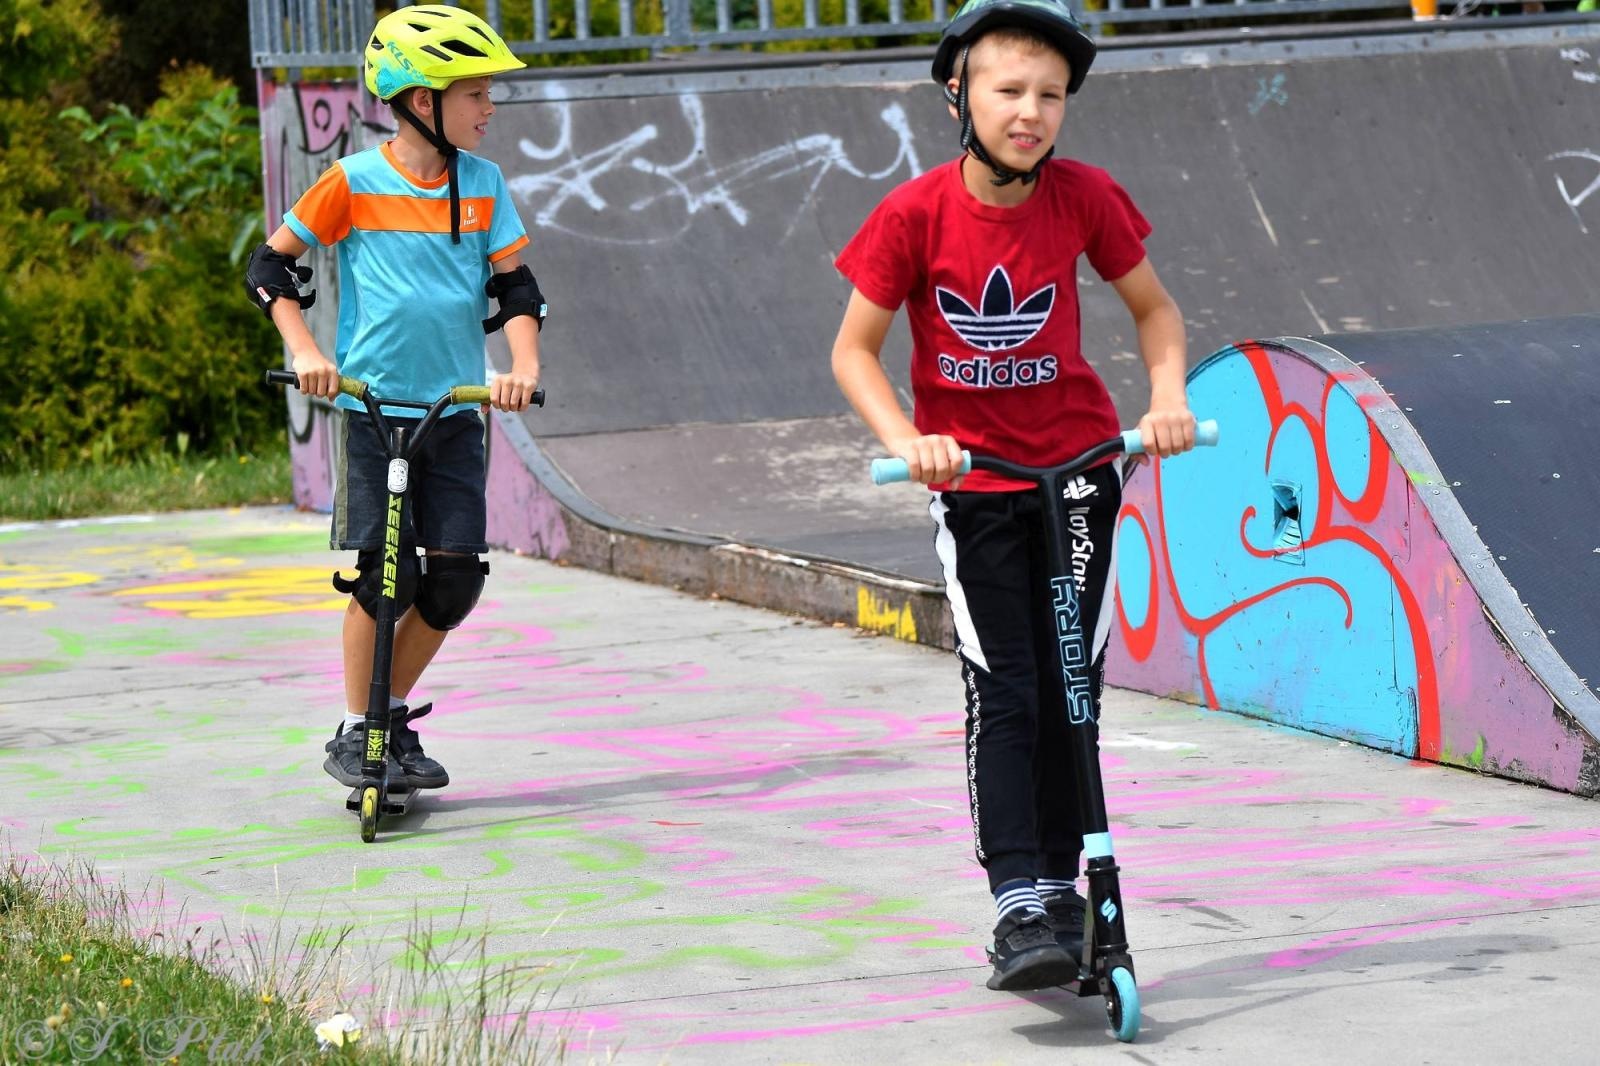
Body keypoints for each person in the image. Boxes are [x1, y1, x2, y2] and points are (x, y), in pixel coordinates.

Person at [831, 0, 1195, 991]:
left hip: (1080, 475)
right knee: (1011, 688)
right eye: (1007, 91)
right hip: (978, 487)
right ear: (958, 92)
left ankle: (1063, 884)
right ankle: (1015, 901)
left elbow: (1155, 312)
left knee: (1074, 683)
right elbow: (853, 351)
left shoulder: (1082, 197)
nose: (1029, 112)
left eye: (1049, 96)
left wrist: (1164, 398)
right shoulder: (913, 215)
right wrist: (911, 443)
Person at [244, 5, 545, 791]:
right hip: (375, 413)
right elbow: (270, 270)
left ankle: (393, 720)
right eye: (475, 93)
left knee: (453, 583)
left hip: (455, 414)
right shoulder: (353, 181)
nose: (488, 108)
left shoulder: (483, 185)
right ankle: (355, 728)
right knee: (389, 577)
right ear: (422, 101)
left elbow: (515, 286)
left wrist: (522, 364)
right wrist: (306, 352)